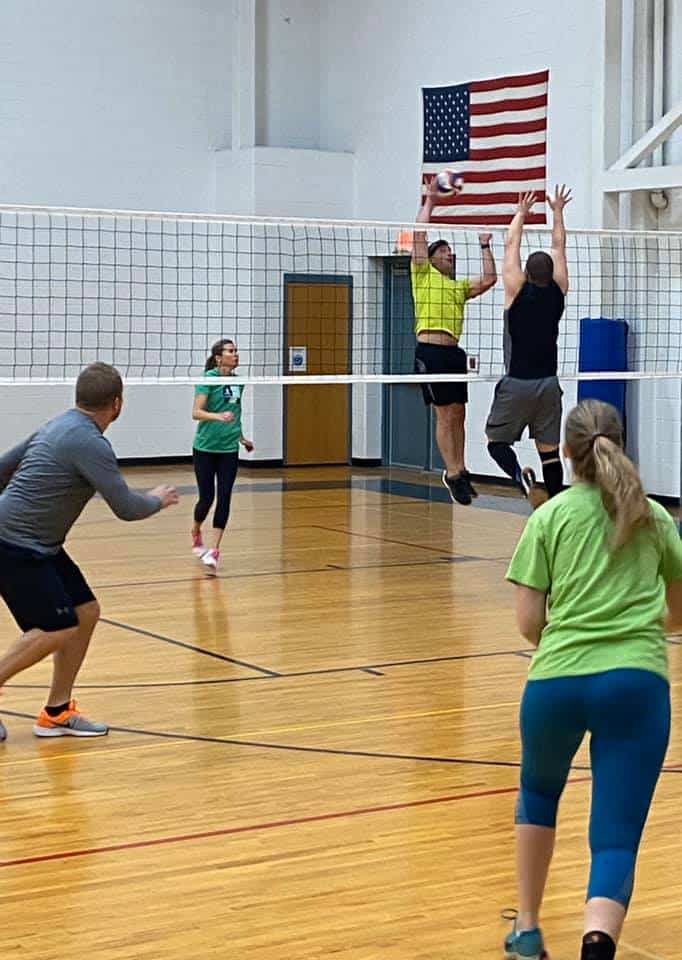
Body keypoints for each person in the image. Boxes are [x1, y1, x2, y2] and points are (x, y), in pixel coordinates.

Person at [504, 398, 682, 960]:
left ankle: (527, 929)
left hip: (555, 683)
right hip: (636, 683)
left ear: (565, 452)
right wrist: (631, 624)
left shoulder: (548, 518)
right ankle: (597, 942)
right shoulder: (655, 518)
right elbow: (678, 613)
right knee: (615, 833)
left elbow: (529, 623)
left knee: (538, 796)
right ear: (621, 445)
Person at [0, 362, 178, 741]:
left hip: (39, 544)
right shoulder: (91, 444)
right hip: (15, 544)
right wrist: (157, 499)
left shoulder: (56, 425)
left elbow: (2, 468)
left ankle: (57, 711)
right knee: (57, 627)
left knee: (85, 613)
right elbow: (126, 508)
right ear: (117, 404)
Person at [411, 175, 497, 505]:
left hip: (453, 354)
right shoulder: (422, 274)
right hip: (430, 352)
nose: (450, 254)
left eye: (451, 251)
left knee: (459, 412)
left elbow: (489, 278)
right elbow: (419, 235)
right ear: (431, 258)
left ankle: (460, 470)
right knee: (444, 414)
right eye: (444, 251)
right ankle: (452, 472)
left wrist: (485, 245)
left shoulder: (457, 287)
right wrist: (431, 200)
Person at [485, 185, 572, 509]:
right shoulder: (559, 291)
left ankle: (518, 476)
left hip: (518, 383)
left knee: (496, 444)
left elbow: (511, 245)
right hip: (549, 384)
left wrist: (520, 213)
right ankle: (557, 507)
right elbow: (559, 246)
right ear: (551, 273)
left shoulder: (515, 290)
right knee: (549, 453)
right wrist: (557, 211)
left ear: (526, 273)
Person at [191, 339, 254, 575]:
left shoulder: (238, 382)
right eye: (230, 351)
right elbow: (196, 412)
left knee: (225, 496)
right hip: (205, 448)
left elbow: (235, 413)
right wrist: (218, 417)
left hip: (229, 449)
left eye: (236, 350)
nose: (235, 354)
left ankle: (214, 551)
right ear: (219, 357)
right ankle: (196, 530)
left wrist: (242, 438)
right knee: (206, 498)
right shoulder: (208, 379)